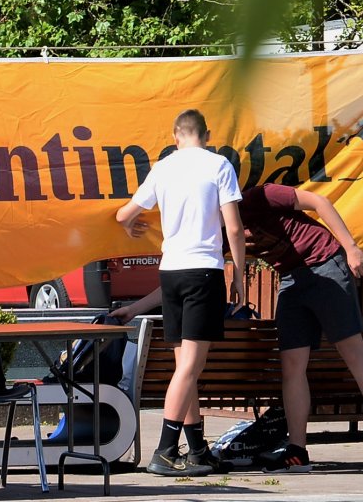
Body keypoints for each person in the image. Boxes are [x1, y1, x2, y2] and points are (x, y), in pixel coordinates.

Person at [110, 182, 363, 472]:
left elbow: (319, 202)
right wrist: (134, 310)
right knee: (291, 364)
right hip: (290, 279)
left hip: (325, 263)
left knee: (351, 349)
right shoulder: (218, 230)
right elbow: (173, 282)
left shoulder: (261, 195)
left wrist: (350, 248)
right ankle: (297, 450)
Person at [114, 109, 247, 476]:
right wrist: (239, 274)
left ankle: (199, 450)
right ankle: (166, 450)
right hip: (204, 270)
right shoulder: (219, 165)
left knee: (183, 368)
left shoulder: (163, 168)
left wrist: (131, 229)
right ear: (207, 133)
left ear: (176, 136)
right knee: (190, 367)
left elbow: (124, 215)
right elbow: (234, 229)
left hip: (170, 271)